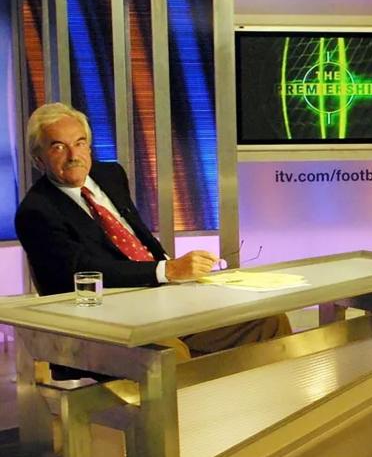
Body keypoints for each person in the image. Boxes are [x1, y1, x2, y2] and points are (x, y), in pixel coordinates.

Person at [15, 102, 289, 363]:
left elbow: (137, 235)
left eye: (80, 143)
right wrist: (165, 269)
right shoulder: (37, 211)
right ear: (39, 160)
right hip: (109, 319)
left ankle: (261, 405)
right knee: (168, 354)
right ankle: (195, 407)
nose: (74, 156)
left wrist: (175, 274)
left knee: (268, 321)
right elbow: (83, 271)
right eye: (58, 147)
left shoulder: (109, 175)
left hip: (164, 297)